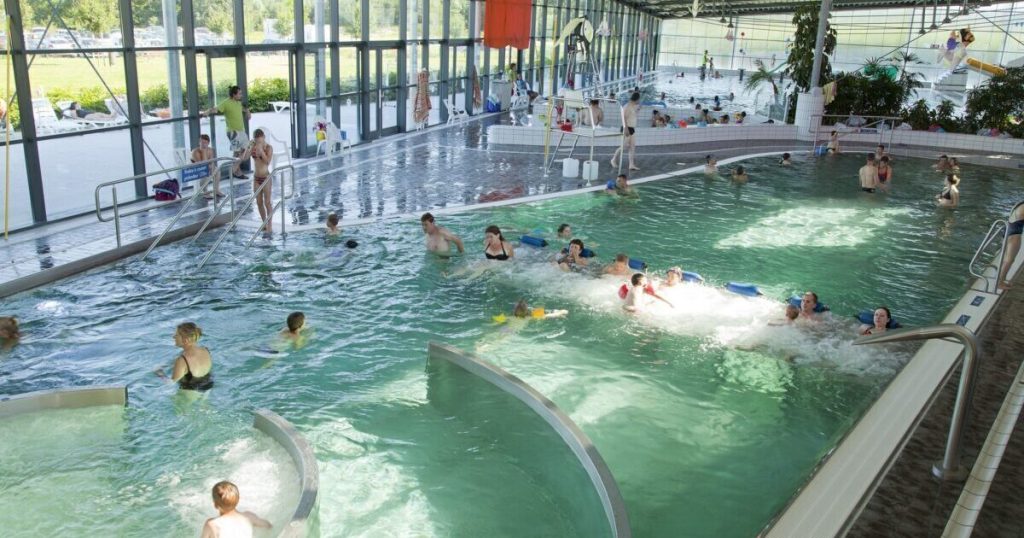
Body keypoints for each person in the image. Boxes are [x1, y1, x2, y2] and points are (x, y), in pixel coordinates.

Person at [202, 85, 252, 179]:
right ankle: (235, 172)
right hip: (233, 132)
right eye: (239, 93)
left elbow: (248, 116)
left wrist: (248, 111)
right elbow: (216, 109)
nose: (241, 95)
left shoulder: (238, 103)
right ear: (234, 94)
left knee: (247, 151)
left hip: (242, 132)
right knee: (237, 153)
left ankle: (234, 169)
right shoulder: (226, 103)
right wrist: (208, 112)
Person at [201, 481, 271, 538]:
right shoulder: (248, 516)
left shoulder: (212, 524)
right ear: (237, 500)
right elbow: (268, 525)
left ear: (215, 504)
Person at [156, 322, 213, 391]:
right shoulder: (205, 350)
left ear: (185, 340)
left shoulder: (182, 360)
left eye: (176, 335)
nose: (173, 337)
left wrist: (160, 373)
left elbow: (170, 383)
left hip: (190, 392)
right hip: (208, 386)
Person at [250, 129, 274, 233]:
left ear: (264, 137)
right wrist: (248, 147)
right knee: (259, 202)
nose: (259, 143)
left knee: (267, 203)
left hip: (266, 177)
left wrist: (262, 152)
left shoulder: (269, 148)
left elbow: (267, 162)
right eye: (257, 141)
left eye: (260, 141)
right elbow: (244, 157)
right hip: (256, 178)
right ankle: (264, 223)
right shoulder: (253, 146)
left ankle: (270, 225)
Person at [610, 92, 641, 171]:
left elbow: (632, 117)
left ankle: (631, 164)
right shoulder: (627, 106)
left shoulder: (633, 106)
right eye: (639, 99)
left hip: (632, 129)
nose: (639, 101)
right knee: (623, 147)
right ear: (636, 99)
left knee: (632, 147)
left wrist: (638, 110)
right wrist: (626, 129)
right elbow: (623, 118)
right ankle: (613, 159)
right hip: (626, 129)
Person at [997, 202, 1024, 290]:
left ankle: (1001, 279)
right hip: (1014, 234)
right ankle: (999, 283)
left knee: (1007, 259)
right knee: (1009, 260)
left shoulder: (1021, 204)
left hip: (1008, 229)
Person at [192, 134, 224, 199]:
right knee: (205, 172)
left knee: (217, 170)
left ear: (208, 143)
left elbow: (212, 162)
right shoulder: (195, 152)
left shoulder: (210, 150)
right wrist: (203, 152)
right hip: (196, 170)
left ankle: (216, 190)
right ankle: (205, 192)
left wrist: (211, 166)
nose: (203, 144)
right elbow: (201, 165)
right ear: (199, 142)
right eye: (201, 142)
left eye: (205, 143)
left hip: (207, 167)